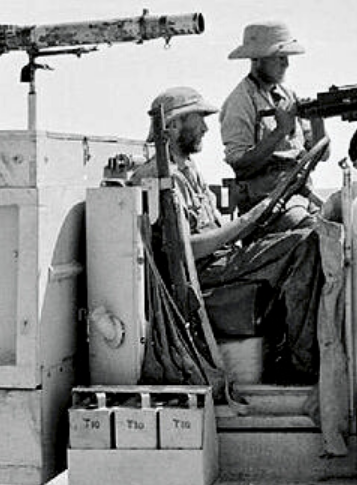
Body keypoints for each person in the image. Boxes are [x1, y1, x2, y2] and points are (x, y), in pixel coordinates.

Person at [131, 86, 324, 385]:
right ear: (172, 125)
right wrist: (247, 220)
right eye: (198, 120)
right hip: (205, 272)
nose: (206, 127)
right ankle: (302, 365)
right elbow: (183, 252)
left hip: (221, 260)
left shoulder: (187, 170)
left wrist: (258, 217)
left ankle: (290, 352)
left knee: (308, 231)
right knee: (304, 243)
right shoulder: (161, 176)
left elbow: (212, 226)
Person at [219, 21, 329, 231]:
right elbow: (240, 164)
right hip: (266, 203)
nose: (286, 64)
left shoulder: (288, 96)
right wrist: (280, 132)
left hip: (298, 193)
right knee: (312, 232)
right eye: (279, 58)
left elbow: (321, 154)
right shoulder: (240, 101)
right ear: (257, 59)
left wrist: (318, 122)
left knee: (342, 224)